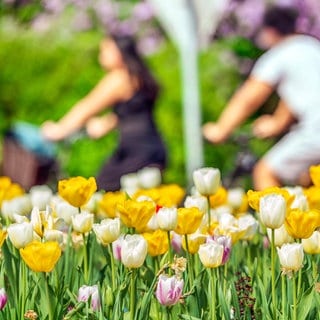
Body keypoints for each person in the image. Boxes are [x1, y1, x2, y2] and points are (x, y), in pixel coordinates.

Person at [203, 6, 320, 190]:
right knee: (309, 179)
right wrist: (277, 123)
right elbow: (301, 92)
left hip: (316, 130)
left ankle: (277, 220)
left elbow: (250, 96)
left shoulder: (279, 54)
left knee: (265, 172)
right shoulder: (311, 46)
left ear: (270, 31)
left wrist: (221, 130)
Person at [42, 34, 167, 191]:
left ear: (120, 52)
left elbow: (88, 106)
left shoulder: (119, 78)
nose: (101, 55)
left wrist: (60, 129)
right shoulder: (137, 76)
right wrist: (107, 123)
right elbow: (133, 112)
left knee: (101, 192)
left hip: (135, 153)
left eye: (106, 50)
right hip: (153, 149)